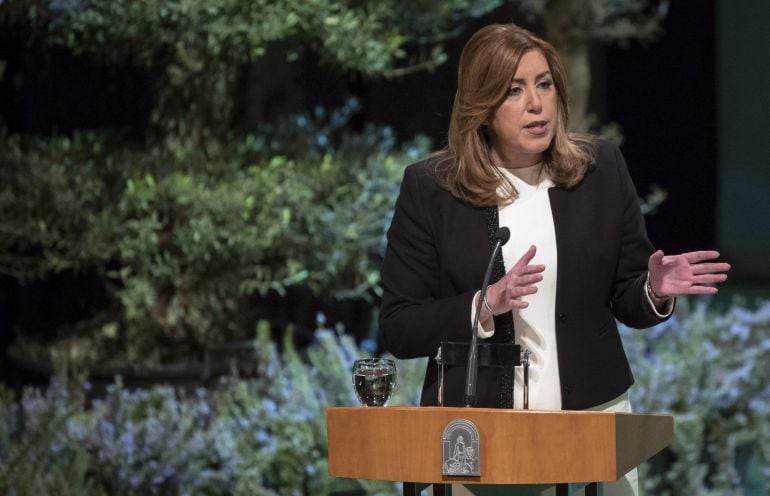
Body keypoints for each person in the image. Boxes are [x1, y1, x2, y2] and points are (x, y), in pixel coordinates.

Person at [378, 23, 730, 496]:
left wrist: (653, 289)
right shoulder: (431, 189)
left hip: (593, 427)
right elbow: (400, 326)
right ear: (480, 106)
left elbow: (629, 296)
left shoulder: (599, 169)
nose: (536, 103)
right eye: (514, 90)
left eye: (544, 84)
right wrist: (484, 304)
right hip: (480, 437)